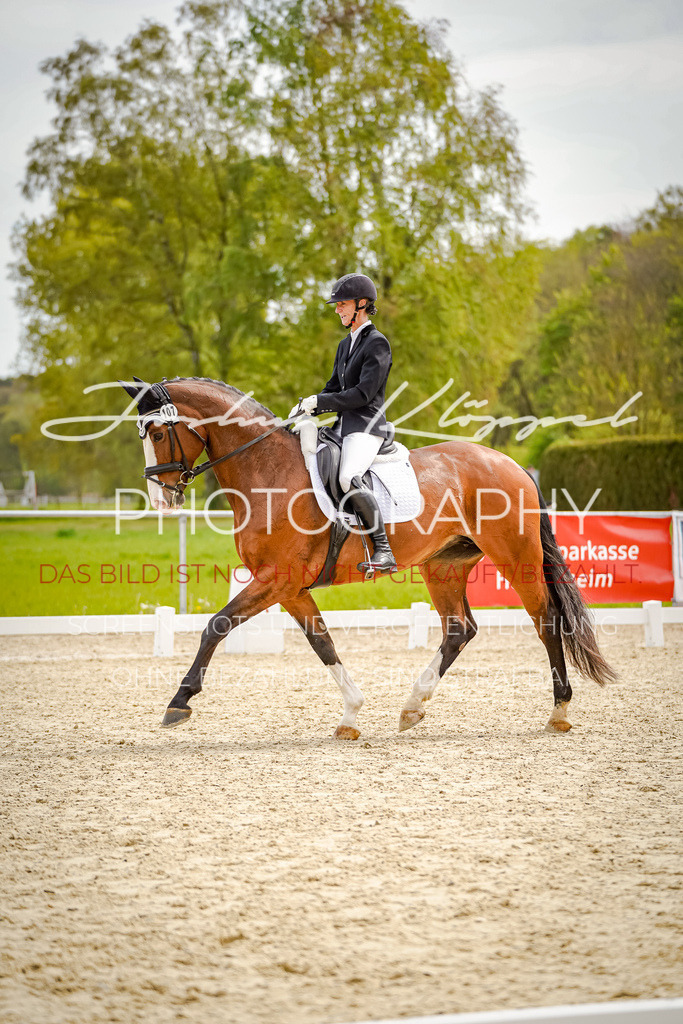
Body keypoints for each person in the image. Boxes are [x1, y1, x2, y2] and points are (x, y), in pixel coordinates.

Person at [290, 273, 398, 575]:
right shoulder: (344, 345)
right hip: (343, 427)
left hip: (366, 426)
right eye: (337, 305)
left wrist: (320, 403)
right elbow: (333, 387)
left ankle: (384, 549)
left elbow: (362, 394)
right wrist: (307, 405)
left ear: (362, 304)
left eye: (342, 304)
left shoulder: (377, 344)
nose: (337, 309)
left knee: (348, 476)